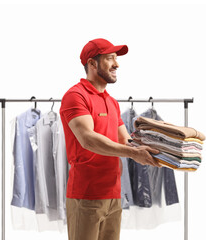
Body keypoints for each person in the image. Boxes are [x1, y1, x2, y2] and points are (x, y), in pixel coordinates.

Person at [59, 38, 160, 240]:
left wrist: (163, 150)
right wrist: (133, 153)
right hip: (86, 195)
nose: (117, 64)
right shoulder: (75, 96)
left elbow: (126, 141)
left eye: (116, 58)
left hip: (113, 195)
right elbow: (87, 139)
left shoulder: (111, 102)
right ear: (92, 63)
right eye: (110, 58)